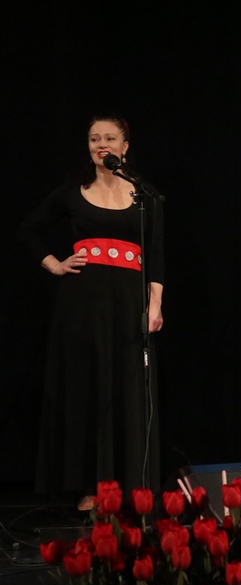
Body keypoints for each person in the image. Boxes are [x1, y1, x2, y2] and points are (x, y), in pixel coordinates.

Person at [17, 114, 165, 509]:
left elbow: (156, 255)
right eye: (95, 138)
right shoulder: (73, 192)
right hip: (82, 307)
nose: (102, 145)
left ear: (125, 146)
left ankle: (131, 485)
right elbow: (28, 229)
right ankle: (90, 487)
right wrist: (53, 263)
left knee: (127, 391)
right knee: (89, 390)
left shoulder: (145, 195)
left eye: (110, 138)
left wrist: (154, 305)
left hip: (129, 306)